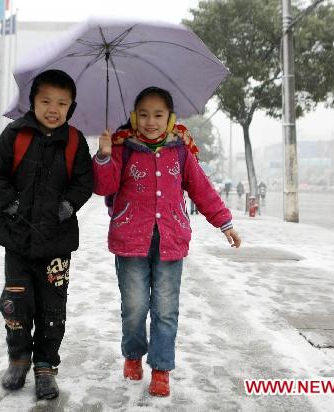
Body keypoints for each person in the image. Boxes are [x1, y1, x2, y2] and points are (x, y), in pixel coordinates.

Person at [92, 87, 241, 397]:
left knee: (166, 308)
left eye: (158, 115)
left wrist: (224, 223)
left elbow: (202, 189)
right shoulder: (123, 146)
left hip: (170, 241)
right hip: (130, 241)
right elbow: (104, 186)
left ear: (170, 118)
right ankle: (133, 355)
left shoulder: (181, 149)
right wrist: (104, 156)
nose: (151, 121)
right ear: (134, 117)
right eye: (143, 114)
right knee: (134, 307)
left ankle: (161, 367)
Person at [0, 69, 93, 400]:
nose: (53, 108)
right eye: (46, 100)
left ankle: (46, 366)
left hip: (56, 244)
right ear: (32, 101)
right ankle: (18, 358)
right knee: (16, 303)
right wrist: (11, 203)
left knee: (52, 308)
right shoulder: (15, 134)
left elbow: (84, 182)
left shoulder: (75, 141)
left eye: (62, 103)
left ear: (71, 107)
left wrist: (70, 204)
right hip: (17, 240)